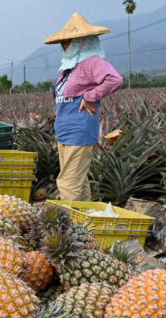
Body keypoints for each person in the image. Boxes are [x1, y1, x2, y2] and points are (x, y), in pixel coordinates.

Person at [45, 12, 123, 201]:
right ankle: (85, 226)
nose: (65, 45)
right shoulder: (69, 67)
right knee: (78, 183)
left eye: (69, 41)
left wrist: (90, 96)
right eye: (63, 42)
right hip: (64, 132)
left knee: (68, 183)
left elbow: (114, 79)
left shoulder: (92, 62)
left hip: (79, 131)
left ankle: (68, 227)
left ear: (83, 41)